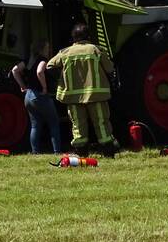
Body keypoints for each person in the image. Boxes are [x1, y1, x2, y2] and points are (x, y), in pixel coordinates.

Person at [47, 22, 119, 157]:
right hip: (96, 95)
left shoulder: (65, 52)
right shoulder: (96, 50)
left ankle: (81, 153)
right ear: (88, 36)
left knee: (78, 126)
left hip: (73, 97)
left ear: (73, 37)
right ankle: (108, 152)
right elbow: (110, 68)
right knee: (101, 124)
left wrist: (61, 78)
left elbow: (49, 66)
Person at [11, 39, 63, 154]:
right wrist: (44, 87)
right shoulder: (43, 60)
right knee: (54, 122)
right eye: (47, 47)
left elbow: (14, 70)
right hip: (40, 95)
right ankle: (57, 151)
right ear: (42, 49)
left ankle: (35, 152)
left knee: (35, 125)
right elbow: (40, 71)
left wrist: (22, 86)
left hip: (28, 96)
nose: (49, 49)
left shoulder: (28, 60)